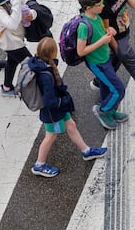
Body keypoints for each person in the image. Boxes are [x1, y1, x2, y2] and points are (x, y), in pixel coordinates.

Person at [28, 37, 107, 177]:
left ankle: (86, 151)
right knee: (51, 136)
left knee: (71, 125)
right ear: (52, 53)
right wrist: (63, 102)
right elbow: (49, 100)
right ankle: (39, 165)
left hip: (59, 108)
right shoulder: (45, 75)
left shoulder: (42, 65)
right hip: (53, 112)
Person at [76, 0, 126, 130]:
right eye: (100, 4)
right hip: (97, 63)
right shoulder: (83, 26)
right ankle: (103, 111)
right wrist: (103, 41)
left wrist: (108, 31)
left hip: (104, 59)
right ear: (89, 8)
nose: (103, 6)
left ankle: (110, 110)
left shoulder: (96, 16)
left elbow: (100, 31)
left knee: (106, 87)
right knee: (118, 89)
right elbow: (81, 51)